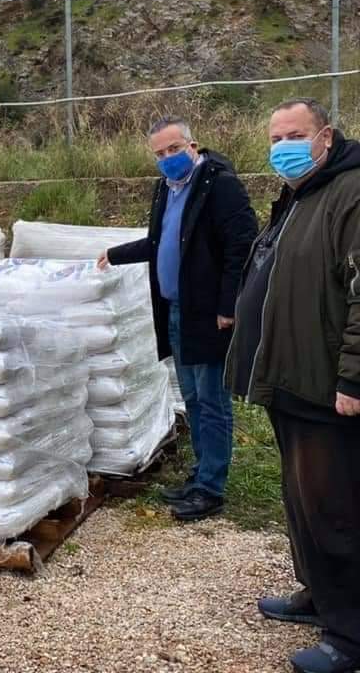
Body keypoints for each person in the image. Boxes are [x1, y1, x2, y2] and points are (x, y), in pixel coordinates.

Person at [225, 98, 360, 673]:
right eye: (276, 138)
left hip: (326, 387)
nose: (283, 147)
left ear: (325, 137)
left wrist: (354, 376)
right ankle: (317, 595)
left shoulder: (350, 192)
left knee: (335, 511)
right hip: (290, 381)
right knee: (302, 504)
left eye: (295, 135)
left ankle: (350, 636)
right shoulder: (300, 193)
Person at [98, 116, 257, 521]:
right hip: (175, 311)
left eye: (173, 149)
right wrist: (115, 254)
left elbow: (242, 246)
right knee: (193, 399)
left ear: (192, 145)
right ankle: (200, 475)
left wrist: (228, 306)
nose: (167, 158)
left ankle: (211, 489)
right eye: (159, 153)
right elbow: (159, 242)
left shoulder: (219, 185)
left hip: (208, 313)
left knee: (212, 400)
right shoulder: (166, 188)